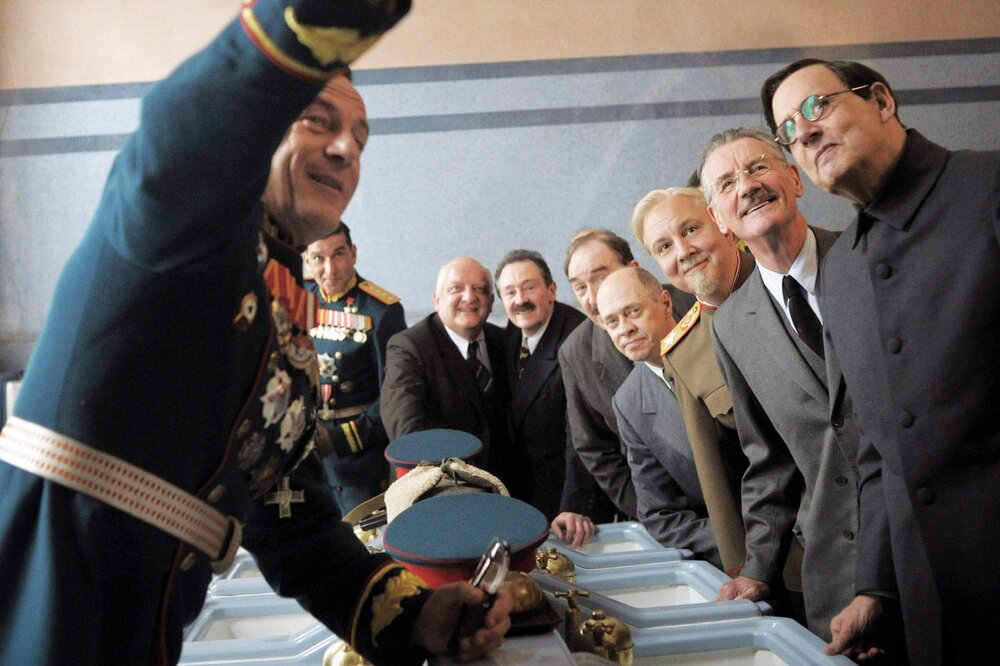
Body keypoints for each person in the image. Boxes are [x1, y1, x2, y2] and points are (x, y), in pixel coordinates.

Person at [0, 3, 512, 664]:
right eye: (319, 121)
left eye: (360, 139)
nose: (346, 150)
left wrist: (417, 618)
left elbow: (293, 520)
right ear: (262, 130)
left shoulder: (287, 311)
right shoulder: (177, 226)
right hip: (43, 596)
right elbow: (188, 126)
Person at [763, 57, 1000, 664]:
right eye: (788, 129)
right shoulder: (841, 270)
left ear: (882, 101)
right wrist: (876, 586)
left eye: (817, 106)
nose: (804, 131)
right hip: (928, 601)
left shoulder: (988, 186)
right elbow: (878, 448)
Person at [702, 127, 893, 648]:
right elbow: (767, 460)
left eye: (758, 167)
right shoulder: (730, 326)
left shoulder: (872, 257)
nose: (747, 186)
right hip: (833, 581)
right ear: (719, 218)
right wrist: (757, 567)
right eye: (727, 183)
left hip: (925, 550)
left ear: (795, 178)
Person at [628, 187, 805, 615]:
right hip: (796, 556)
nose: (683, 251)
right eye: (664, 247)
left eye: (691, 230)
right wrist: (749, 570)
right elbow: (719, 483)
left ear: (722, 223)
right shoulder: (683, 351)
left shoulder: (790, 278)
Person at [558, 230, 696, 526]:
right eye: (579, 287)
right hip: (670, 518)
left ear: (633, 268)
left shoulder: (693, 303)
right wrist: (651, 510)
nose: (592, 299)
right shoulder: (575, 352)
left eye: (599, 277)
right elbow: (595, 448)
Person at [597, 267, 720, 565]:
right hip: (727, 554)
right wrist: (737, 543)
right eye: (612, 321)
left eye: (633, 311)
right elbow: (660, 516)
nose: (624, 329)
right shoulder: (628, 403)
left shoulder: (720, 342)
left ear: (665, 303)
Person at [381, 257, 518, 495]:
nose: (469, 297)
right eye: (456, 288)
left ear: (491, 301)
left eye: (479, 289)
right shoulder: (409, 347)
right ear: (437, 299)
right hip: (439, 492)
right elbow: (408, 433)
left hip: (504, 490)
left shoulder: (504, 341)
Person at [304, 222, 405, 515]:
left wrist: (338, 439)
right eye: (318, 258)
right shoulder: (298, 297)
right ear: (307, 260)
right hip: (305, 459)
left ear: (353, 253)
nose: (330, 269)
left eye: (338, 255)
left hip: (359, 461)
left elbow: (394, 398)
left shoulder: (381, 310)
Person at [494, 250, 594, 546]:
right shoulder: (514, 332)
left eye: (529, 287)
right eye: (509, 292)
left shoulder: (577, 339)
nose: (520, 299)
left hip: (568, 504)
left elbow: (582, 436)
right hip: (527, 494)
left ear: (552, 290)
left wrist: (573, 507)